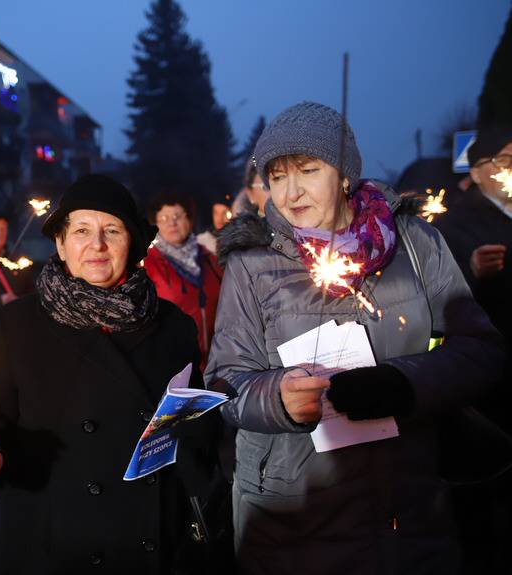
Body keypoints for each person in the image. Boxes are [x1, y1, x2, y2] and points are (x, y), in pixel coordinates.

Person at [205, 102, 504, 575]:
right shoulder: (253, 263)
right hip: (295, 517)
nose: (291, 191)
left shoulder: (415, 243)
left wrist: (404, 384)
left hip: (408, 507)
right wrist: (280, 399)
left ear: (344, 174)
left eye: (308, 170)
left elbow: (480, 350)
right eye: (277, 177)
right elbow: (225, 383)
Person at [0, 174, 221, 574]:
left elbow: (196, 432)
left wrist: (199, 429)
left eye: (112, 230)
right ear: (60, 243)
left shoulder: (173, 326)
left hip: (152, 539)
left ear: (134, 244)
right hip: (53, 540)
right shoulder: (13, 325)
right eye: (81, 231)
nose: (97, 244)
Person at [433, 126, 512, 572]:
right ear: (479, 171)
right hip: (492, 375)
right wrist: (472, 270)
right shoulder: (455, 223)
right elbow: (440, 300)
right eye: (505, 161)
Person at [144, 194, 222, 365]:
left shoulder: (210, 258)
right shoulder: (148, 265)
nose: (172, 223)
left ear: (190, 219)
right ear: (155, 224)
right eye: (164, 218)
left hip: (218, 361)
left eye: (177, 216)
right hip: (175, 364)